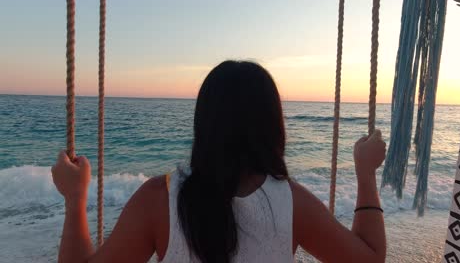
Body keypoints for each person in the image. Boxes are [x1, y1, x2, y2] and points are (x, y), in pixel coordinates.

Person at [52, 60, 386, 263]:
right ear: (273, 126)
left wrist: (75, 199)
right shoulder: (290, 203)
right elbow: (370, 259)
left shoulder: (158, 199)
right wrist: (365, 174)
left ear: (204, 123)